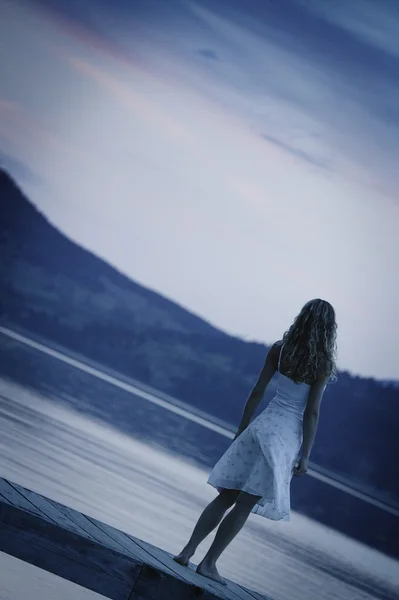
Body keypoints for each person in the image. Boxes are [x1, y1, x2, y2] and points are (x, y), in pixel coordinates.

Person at [173, 298, 337, 585]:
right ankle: (208, 563)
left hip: (261, 426)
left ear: (302, 318)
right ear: (328, 329)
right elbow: (311, 413)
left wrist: (241, 430)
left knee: (226, 496)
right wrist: (306, 455)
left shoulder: (279, 349)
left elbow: (257, 392)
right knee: (244, 505)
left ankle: (187, 551)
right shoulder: (322, 363)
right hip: (283, 438)